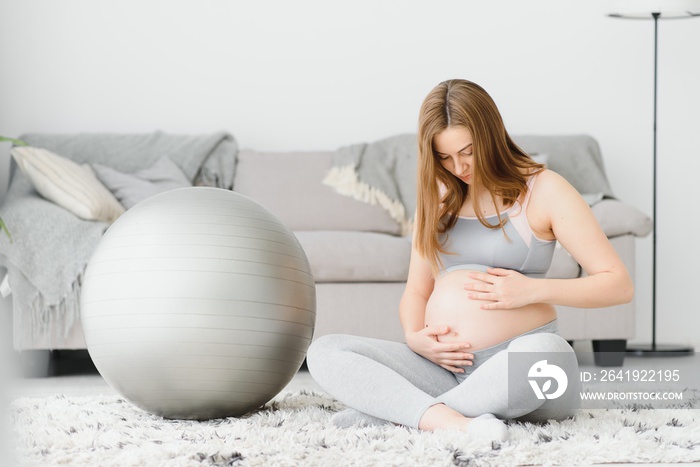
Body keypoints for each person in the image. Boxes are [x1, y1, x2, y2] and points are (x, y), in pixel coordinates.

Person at [306, 79, 633, 441]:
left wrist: (531, 290)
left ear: (491, 135)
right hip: (444, 368)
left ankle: (400, 412)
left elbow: (617, 283)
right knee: (326, 350)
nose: (458, 166)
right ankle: (454, 422)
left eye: (468, 151)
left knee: (547, 353)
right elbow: (416, 292)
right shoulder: (438, 200)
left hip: (524, 369)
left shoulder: (544, 189)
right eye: (444, 157)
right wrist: (415, 337)